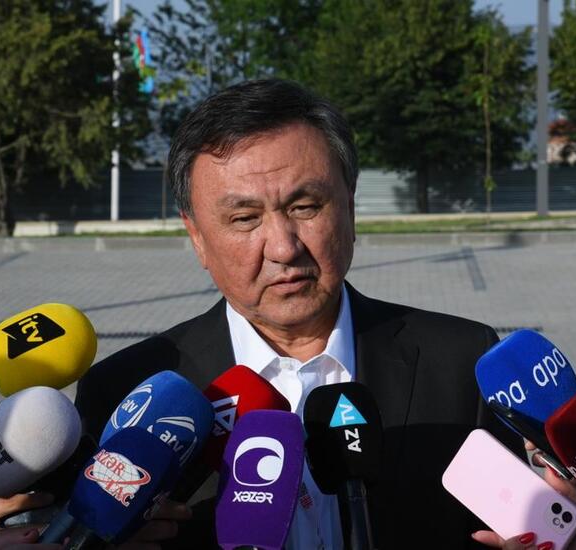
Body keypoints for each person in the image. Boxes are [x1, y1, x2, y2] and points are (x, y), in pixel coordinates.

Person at [74, 78, 524, 549]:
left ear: (350, 208)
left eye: (305, 206)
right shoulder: (125, 393)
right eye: (245, 218)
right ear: (197, 237)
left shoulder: (463, 363)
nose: (284, 247)